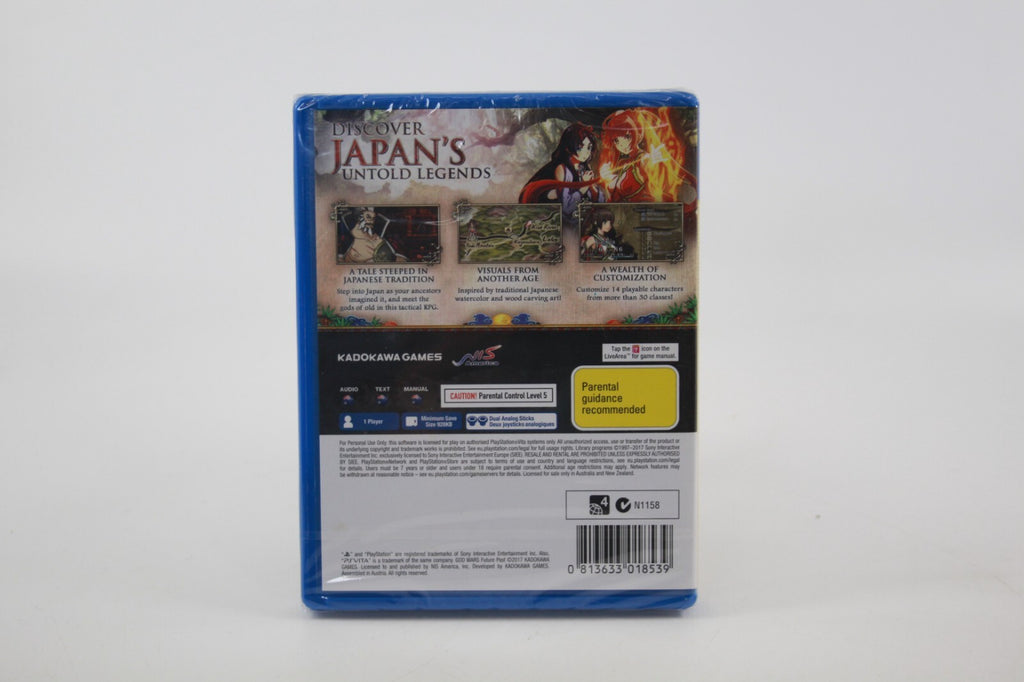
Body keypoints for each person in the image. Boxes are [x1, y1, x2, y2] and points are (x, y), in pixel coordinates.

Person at [598, 108, 689, 203]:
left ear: (637, 133)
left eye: (627, 137)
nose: (623, 144)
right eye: (617, 141)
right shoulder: (622, 163)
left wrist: (652, 162)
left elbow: (646, 166)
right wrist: (606, 177)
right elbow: (614, 195)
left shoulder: (643, 159)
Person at [519, 122, 604, 222]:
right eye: (580, 147)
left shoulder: (583, 167)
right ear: (569, 147)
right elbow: (567, 208)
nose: (586, 152)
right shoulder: (562, 169)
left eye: (589, 147)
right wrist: (584, 187)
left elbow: (600, 201)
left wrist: (592, 187)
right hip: (543, 214)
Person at [338, 206, 404, 263]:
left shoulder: (378, 236)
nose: (371, 221)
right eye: (368, 217)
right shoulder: (349, 232)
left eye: (373, 218)